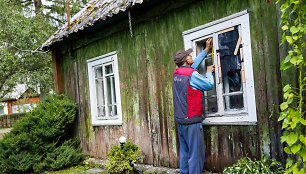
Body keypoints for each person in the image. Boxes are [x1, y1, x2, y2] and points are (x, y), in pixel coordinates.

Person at [173, 38, 214, 174]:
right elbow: (209, 85)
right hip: (192, 121)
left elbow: (193, 65)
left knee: (185, 152)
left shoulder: (177, 73)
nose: (191, 56)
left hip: (181, 121)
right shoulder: (192, 74)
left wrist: (206, 50)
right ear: (186, 61)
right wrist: (208, 72)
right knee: (195, 155)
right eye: (189, 55)